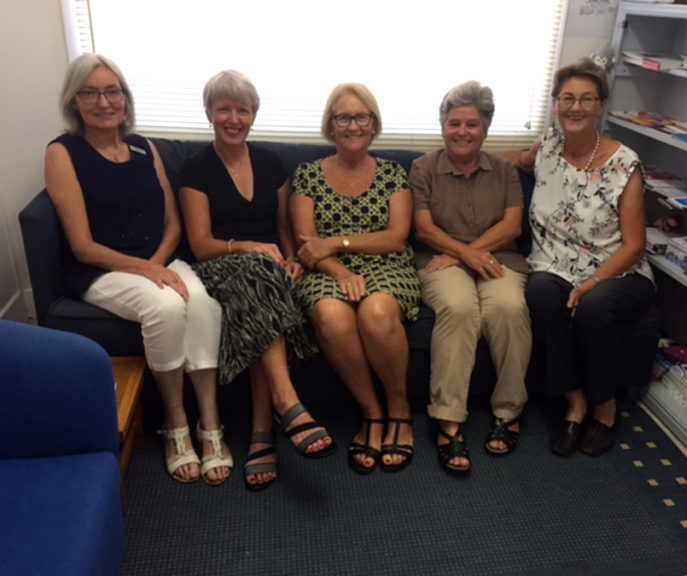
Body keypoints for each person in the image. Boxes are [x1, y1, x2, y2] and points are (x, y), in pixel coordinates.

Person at [45, 54, 232, 486]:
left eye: (112, 92)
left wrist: (156, 264)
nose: (104, 102)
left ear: (125, 99)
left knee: (201, 303)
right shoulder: (62, 153)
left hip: (158, 259)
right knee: (165, 308)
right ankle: (175, 423)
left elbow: (173, 223)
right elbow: (82, 245)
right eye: (90, 93)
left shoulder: (144, 147)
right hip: (101, 268)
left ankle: (210, 421)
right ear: (74, 101)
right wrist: (145, 270)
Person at [179, 70, 335, 492]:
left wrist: (293, 259)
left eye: (243, 110)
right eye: (224, 109)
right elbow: (200, 244)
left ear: (253, 115)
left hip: (268, 269)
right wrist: (246, 246)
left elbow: (283, 227)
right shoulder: (195, 169)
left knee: (262, 287)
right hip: (219, 266)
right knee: (257, 277)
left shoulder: (270, 163)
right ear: (209, 113)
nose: (234, 119)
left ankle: (262, 431)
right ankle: (286, 402)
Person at [519, 58, 656, 457]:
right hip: (554, 264)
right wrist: (469, 157)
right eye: (567, 98)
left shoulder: (624, 163)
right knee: (541, 296)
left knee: (593, 309)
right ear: (555, 103)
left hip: (618, 271)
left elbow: (634, 245)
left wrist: (592, 283)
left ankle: (605, 407)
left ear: (600, 106)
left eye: (586, 99)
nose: (575, 107)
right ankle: (575, 403)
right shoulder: (546, 145)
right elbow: (518, 161)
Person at [290, 83, 421, 475]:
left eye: (361, 117)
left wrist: (338, 242)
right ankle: (372, 412)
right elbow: (307, 244)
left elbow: (396, 237)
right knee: (330, 315)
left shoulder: (394, 173)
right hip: (326, 269)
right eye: (343, 117)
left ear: (374, 124)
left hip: (387, 264)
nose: (352, 126)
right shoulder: (307, 175)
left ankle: (399, 410)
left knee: (376, 312)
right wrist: (340, 269)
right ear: (331, 125)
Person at [410, 80, 531, 475]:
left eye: (472, 124)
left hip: (499, 256)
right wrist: (461, 255)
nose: (462, 131)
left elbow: (512, 226)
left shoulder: (505, 170)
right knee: (460, 308)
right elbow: (423, 228)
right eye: (454, 123)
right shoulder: (423, 168)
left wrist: (468, 251)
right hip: (439, 260)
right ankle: (447, 420)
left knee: (508, 308)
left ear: (486, 129)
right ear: (442, 126)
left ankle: (509, 412)